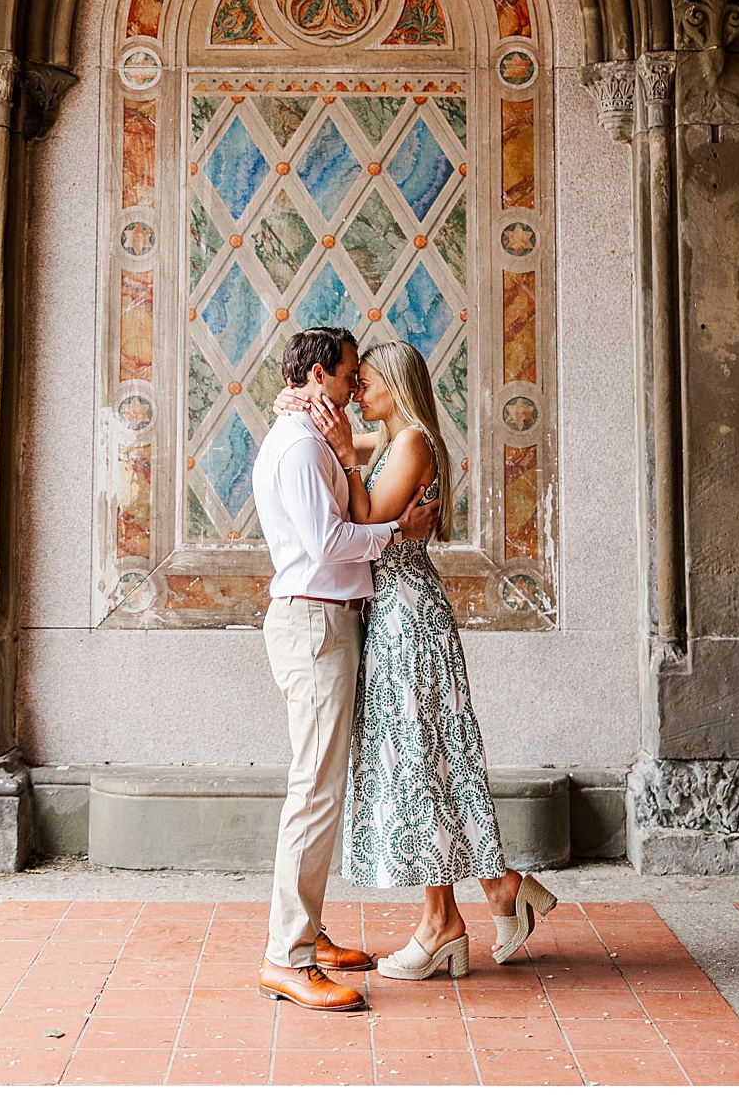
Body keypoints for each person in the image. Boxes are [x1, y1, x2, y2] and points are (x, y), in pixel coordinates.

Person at [278, 340, 556, 981]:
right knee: (423, 762)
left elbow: (370, 517)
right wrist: (297, 404)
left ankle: (453, 918)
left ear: (396, 385)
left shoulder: (411, 444)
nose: (359, 393)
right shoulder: (397, 440)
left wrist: (349, 457)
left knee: (423, 760)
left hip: (407, 614)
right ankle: (491, 893)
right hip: (391, 614)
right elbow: (349, 470)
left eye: (369, 382)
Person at [251, 326, 439, 1012]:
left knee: (321, 786)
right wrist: (397, 532)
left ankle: (309, 935)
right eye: (350, 374)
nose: (357, 388)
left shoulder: (308, 434)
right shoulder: (299, 446)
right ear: (322, 375)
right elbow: (329, 542)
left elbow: (365, 457)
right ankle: (288, 957)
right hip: (313, 624)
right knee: (315, 790)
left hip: (324, 622)